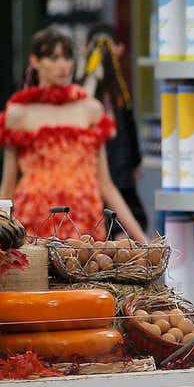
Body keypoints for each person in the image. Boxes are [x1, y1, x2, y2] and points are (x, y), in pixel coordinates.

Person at [0, 27, 148, 242]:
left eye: (67, 57)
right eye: (53, 57)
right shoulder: (18, 113)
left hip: (84, 222)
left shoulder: (90, 109)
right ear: (35, 61)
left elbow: (106, 185)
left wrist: (142, 240)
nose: (63, 65)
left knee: (88, 273)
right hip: (34, 222)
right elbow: (7, 186)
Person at [80, 23, 149, 234]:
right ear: (119, 49)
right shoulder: (117, 90)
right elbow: (130, 128)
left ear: (84, 50)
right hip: (116, 173)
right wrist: (135, 162)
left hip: (107, 172)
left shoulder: (83, 88)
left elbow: (128, 127)